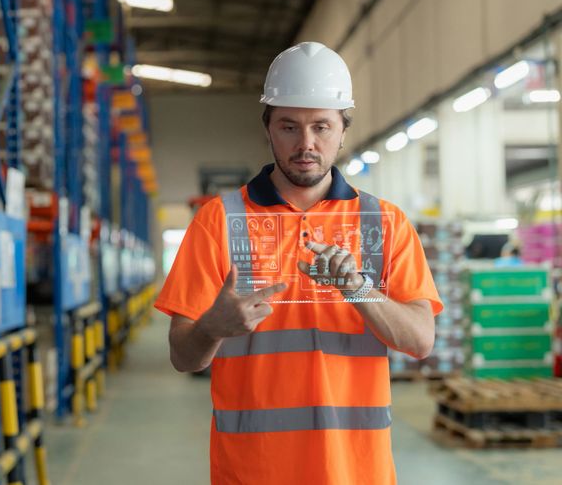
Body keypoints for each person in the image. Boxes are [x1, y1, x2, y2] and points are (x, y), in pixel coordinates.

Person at [154, 42, 443, 485]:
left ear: (343, 130)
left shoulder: (385, 223)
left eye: (321, 127)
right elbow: (183, 356)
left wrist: (359, 290)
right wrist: (211, 328)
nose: (306, 144)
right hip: (253, 472)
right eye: (289, 126)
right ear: (268, 129)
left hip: (355, 472)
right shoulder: (219, 221)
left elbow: (420, 341)